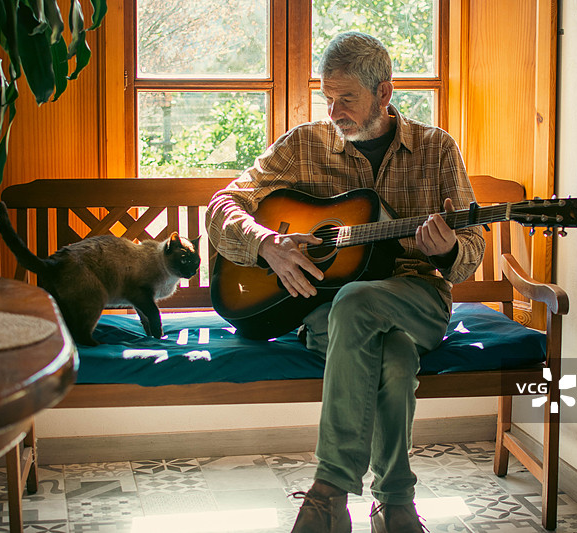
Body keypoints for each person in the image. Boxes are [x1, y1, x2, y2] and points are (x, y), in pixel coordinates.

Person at [206, 31, 485, 533]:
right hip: (328, 308)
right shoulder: (304, 146)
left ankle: (329, 493)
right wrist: (265, 242)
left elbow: (472, 253)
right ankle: (394, 502)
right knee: (394, 359)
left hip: (417, 299)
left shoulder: (437, 149)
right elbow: (225, 202)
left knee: (358, 301)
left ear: (384, 93)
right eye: (328, 99)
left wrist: (446, 249)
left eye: (347, 99)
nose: (334, 111)